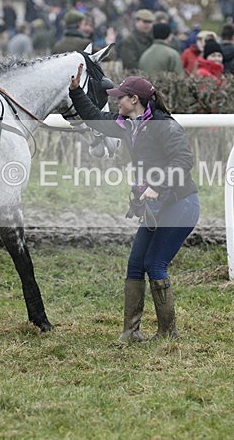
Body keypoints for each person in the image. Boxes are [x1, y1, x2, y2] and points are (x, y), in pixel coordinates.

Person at [68, 69, 200, 341]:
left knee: (155, 264)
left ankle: (167, 334)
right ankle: (131, 332)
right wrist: (75, 92)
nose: (117, 102)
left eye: (120, 98)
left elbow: (184, 161)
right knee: (135, 265)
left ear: (135, 100)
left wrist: (158, 185)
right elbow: (95, 118)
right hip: (157, 205)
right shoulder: (126, 123)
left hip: (180, 204)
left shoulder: (164, 125)